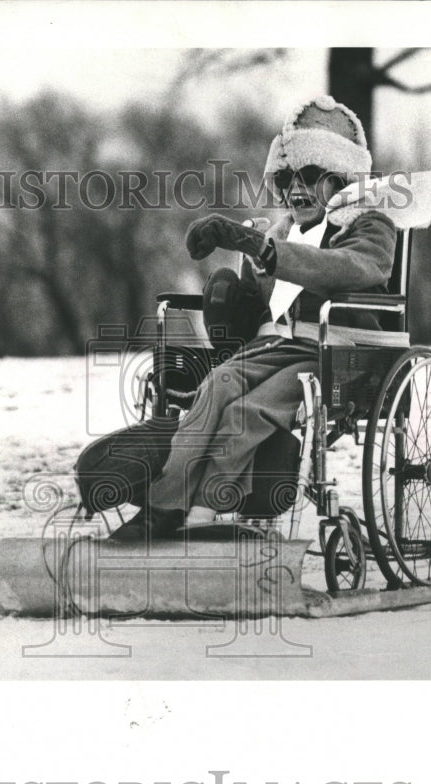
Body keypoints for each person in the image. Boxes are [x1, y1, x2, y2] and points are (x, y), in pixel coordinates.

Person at [111, 96, 397, 541]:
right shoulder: (281, 231)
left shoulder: (368, 225)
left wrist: (267, 251)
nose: (295, 190)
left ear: (342, 178)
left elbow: (355, 268)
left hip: (339, 352)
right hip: (278, 347)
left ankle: (207, 511)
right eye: (285, 178)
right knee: (216, 387)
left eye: (310, 176)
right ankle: (162, 507)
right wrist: (233, 282)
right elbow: (263, 303)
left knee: (249, 411)